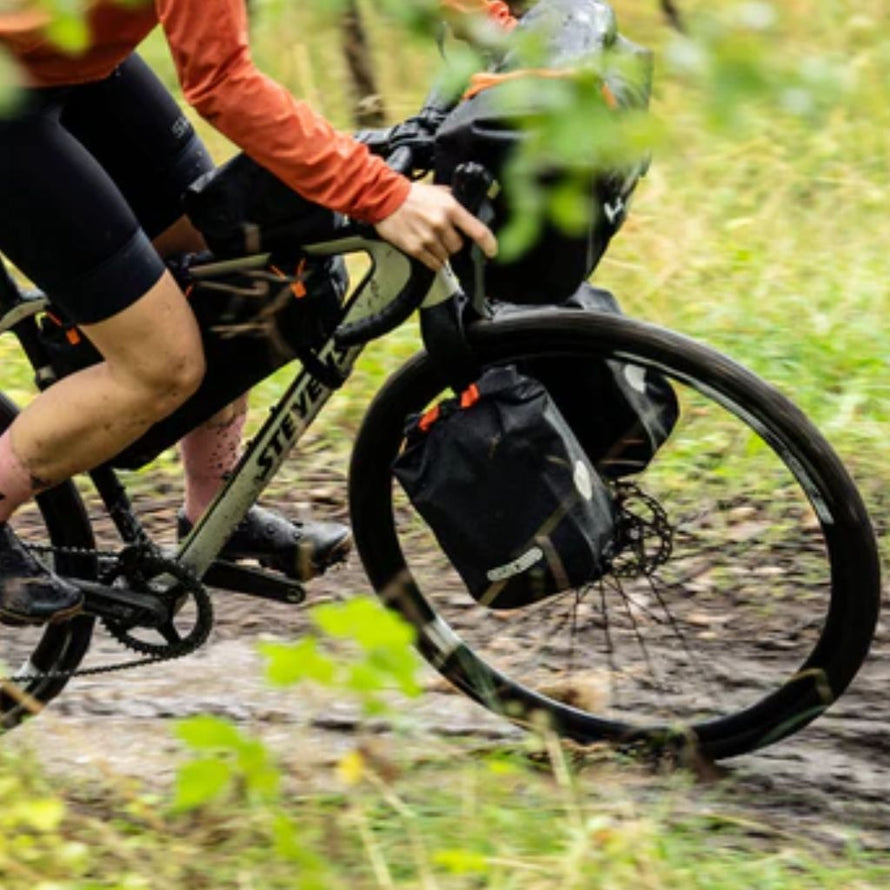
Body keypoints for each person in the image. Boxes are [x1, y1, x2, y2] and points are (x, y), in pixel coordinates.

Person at [0, 0, 508, 625]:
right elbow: (223, 84)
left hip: (71, 57)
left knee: (229, 259)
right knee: (162, 364)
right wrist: (382, 196)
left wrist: (496, 24)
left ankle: (214, 509)